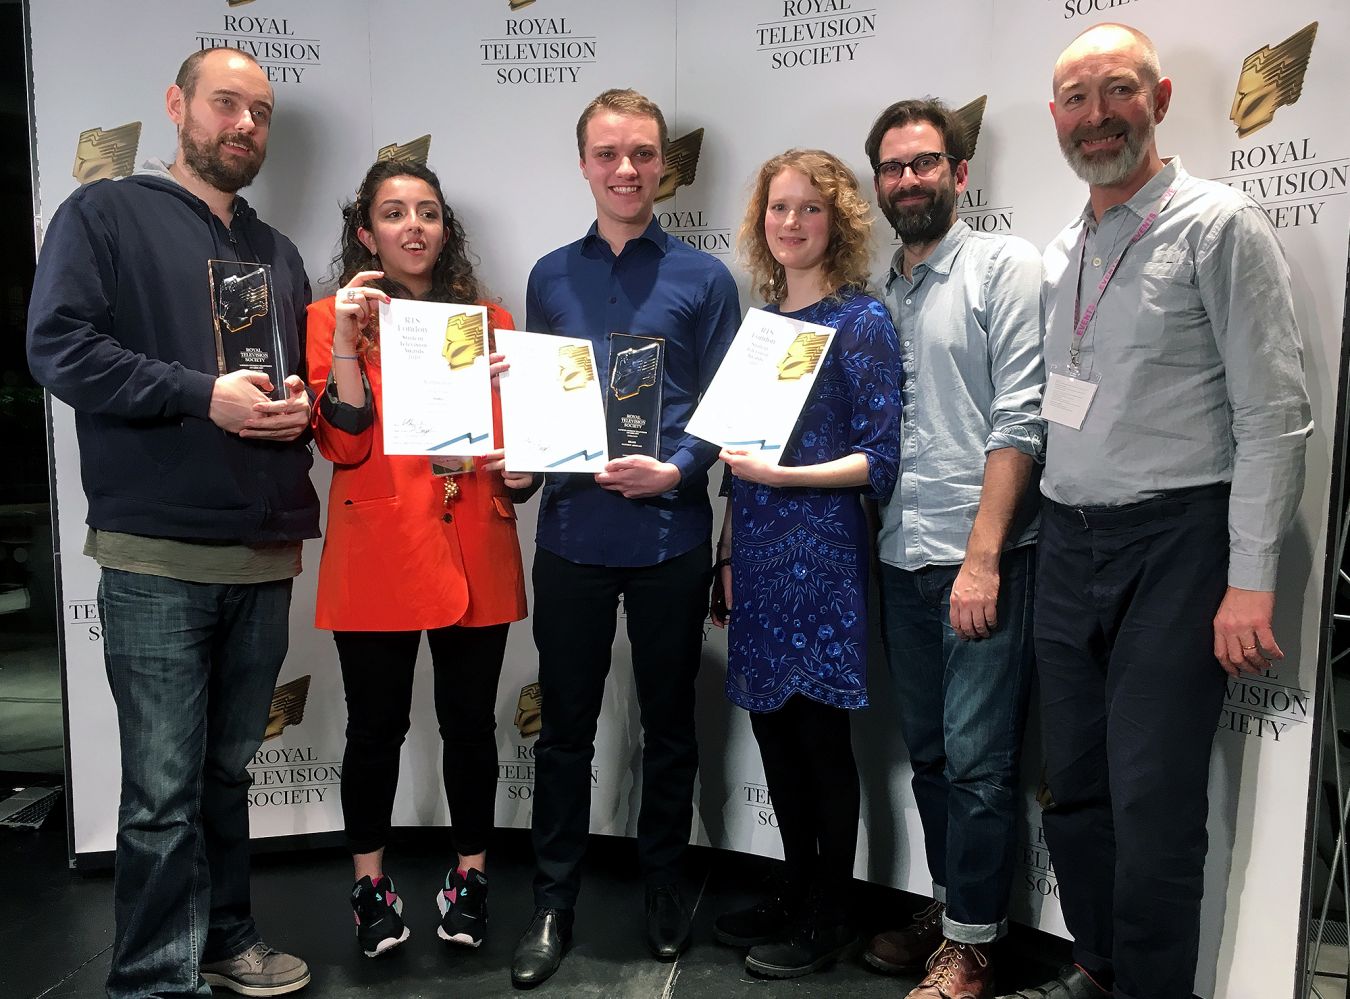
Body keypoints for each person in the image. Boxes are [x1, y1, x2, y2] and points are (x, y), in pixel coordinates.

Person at [999, 23, 1311, 999]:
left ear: (1161, 100)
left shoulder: (1220, 225)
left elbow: (1275, 414)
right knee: (1077, 793)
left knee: (1153, 800)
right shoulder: (1060, 253)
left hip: (1179, 545)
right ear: (1056, 120)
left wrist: (1249, 578)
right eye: (1078, 100)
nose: (1099, 117)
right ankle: (1099, 967)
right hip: (1066, 540)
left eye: (1118, 90)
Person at [26, 47, 315, 998]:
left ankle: (228, 939)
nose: (244, 125)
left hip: (263, 550)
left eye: (260, 113)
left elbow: (285, 384)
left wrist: (297, 405)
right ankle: (152, 978)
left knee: (227, 777)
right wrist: (203, 396)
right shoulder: (103, 213)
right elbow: (58, 346)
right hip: (157, 554)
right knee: (160, 793)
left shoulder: (277, 252)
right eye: (225, 104)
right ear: (177, 107)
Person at [509, 88, 741, 989]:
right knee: (563, 729)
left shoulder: (705, 279)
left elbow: (727, 411)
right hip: (570, 531)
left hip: (669, 536)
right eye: (609, 153)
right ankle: (553, 900)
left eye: (643, 153)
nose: (627, 169)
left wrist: (679, 469)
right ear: (584, 163)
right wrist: (522, 461)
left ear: (663, 165)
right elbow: (538, 404)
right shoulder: (548, 275)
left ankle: (662, 883)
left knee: (671, 727)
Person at [306, 159, 531, 958]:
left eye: (427, 212)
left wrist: (527, 457)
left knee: (471, 725)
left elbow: (522, 463)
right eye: (394, 213)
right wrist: (343, 343)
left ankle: (469, 877)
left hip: (476, 542)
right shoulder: (331, 317)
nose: (413, 226)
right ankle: (370, 886)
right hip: (377, 552)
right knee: (375, 728)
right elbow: (340, 440)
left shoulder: (493, 321)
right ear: (366, 232)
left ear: (445, 229)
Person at [859, 100, 1044, 999]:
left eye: (925, 163)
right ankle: (953, 906)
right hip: (899, 556)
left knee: (977, 761)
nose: (909, 181)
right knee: (932, 755)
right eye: (893, 168)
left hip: (979, 561)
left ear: (958, 173)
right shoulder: (878, 297)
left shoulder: (1005, 268)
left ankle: (971, 948)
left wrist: (983, 558)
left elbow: (1022, 419)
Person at [709, 149, 901, 979]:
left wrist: (785, 476)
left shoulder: (862, 323)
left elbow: (879, 458)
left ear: (839, 221)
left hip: (821, 552)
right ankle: (795, 889)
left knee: (821, 740)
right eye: (778, 209)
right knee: (774, 735)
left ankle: (833, 912)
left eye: (809, 209)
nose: (791, 223)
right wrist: (724, 549)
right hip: (752, 550)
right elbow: (734, 458)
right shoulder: (763, 327)